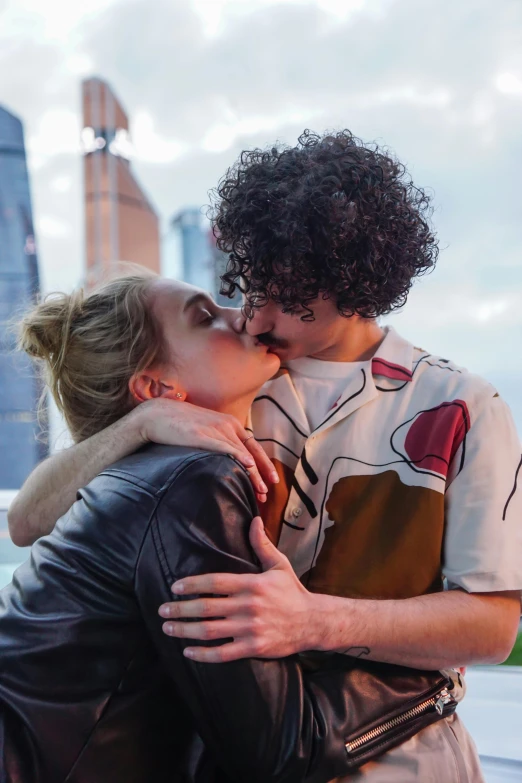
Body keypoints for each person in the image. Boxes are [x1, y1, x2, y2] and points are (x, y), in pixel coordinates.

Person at [10, 130, 522, 782]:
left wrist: (312, 622)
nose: (252, 315)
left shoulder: (465, 406)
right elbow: (28, 519)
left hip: (408, 761)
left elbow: (492, 626)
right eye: (249, 283)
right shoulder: (231, 383)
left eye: (283, 293)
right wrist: (140, 421)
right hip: (243, 756)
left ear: (347, 281)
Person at [0, 274, 456, 783]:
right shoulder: (191, 480)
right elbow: (283, 751)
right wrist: (432, 681)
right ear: (156, 389)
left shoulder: (143, 469)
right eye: (203, 317)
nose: (239, 314)